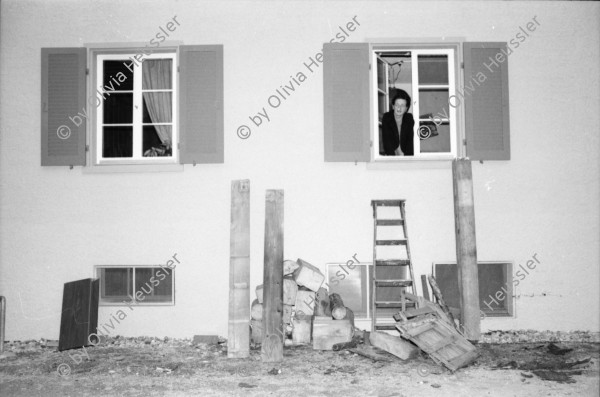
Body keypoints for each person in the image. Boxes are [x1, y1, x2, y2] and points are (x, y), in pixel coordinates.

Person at [381, 90, 414, 156]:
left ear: (406, 108)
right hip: (391, 154)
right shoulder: (387, 117)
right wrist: (392, 158)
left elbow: (410, 141)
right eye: (397, 105)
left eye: (402, 105)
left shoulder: (409, 118)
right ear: (393, 106)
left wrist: (408, 158)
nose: (399, 108)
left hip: (405, 154)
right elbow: (387, 140)